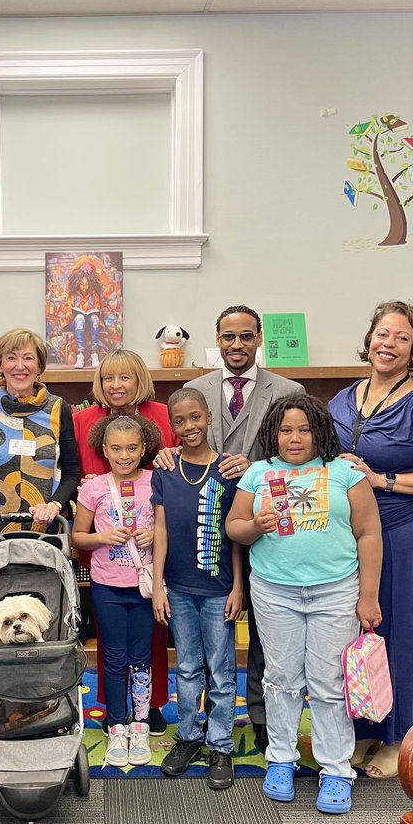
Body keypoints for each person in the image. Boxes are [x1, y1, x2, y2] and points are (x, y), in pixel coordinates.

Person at [226, 395, 383, 814]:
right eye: (285, 430)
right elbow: (234, 528)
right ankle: (281, 759)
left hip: (336, 592)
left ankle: (335, 769)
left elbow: (369, 533)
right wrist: (254, 526)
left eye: (304, 429)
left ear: (320, 431)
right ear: (271, 433)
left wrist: (368, 595)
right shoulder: (258, 473)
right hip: (275, 592)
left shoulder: (346, 472)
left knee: (330, 683)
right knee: (280, 679)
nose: (294, 438)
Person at [329, 300, 413, 778]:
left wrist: (382, 479)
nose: (388, 344)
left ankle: (404, 734)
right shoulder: (345, 397)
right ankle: (368, 728)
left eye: (401, 338)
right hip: (352, 533)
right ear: (369, 339)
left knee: (401, 629)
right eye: (383, 334)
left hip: (405, 531)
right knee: (362, 633)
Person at [165, 305, 305, 754]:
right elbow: (184, 439)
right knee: (198, 642)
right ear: (217, 339)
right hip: (200, 526)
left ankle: (262, 717)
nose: (237, 344)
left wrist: (256, 465)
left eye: (246, 336)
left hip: (261, 522)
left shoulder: (288, 390)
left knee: (265, 629)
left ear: (259, 338)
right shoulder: (195, 389)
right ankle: (197, 722)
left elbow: (295, 449)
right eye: (228, 337)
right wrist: (167, 455)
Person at [73, 349, 176, 734]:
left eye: (126, 377)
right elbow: (72, 467)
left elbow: (177, 465)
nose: (117, 386)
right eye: (109, 378)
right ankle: (115, 711)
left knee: (149, 640)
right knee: (112, 644)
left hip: (149, 551)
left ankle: (149, 704)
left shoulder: (163, 416)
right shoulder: (82, 418)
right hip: (104, 539)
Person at [152, 388, 243, 790]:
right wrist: (158, 585)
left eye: (195, 418)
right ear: (171, 425)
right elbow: (160, 531)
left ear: (209, 417)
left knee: (221, 671)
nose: (189, 427)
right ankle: (189, 735)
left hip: (220, 588)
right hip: (178, 587)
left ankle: (220, 742)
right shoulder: (165, 470)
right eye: (179, 421)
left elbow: (238, 534)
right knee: (187, 666)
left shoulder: (228, 470)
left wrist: (239, 586)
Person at [72, 414, 162, 767]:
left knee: (141, 656)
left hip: (145, 584)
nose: (124, 455)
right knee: (113, 657)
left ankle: (139, 725)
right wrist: (101, 537)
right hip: (106, 584)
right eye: (116, 449)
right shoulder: (93, 488)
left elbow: (169, 527)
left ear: (144, 449)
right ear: (104, 450)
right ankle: (115, 724)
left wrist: (154, 535)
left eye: (132, 448)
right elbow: (77, 536)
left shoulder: (157, 482)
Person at [0, 329, 80, 526]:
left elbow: (71, 473)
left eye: (28, 358)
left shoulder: (57, 408)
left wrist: (55, 505)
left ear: (39, 366)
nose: (20, 366)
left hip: (45, 527)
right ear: (0, 365)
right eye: (11, 358)